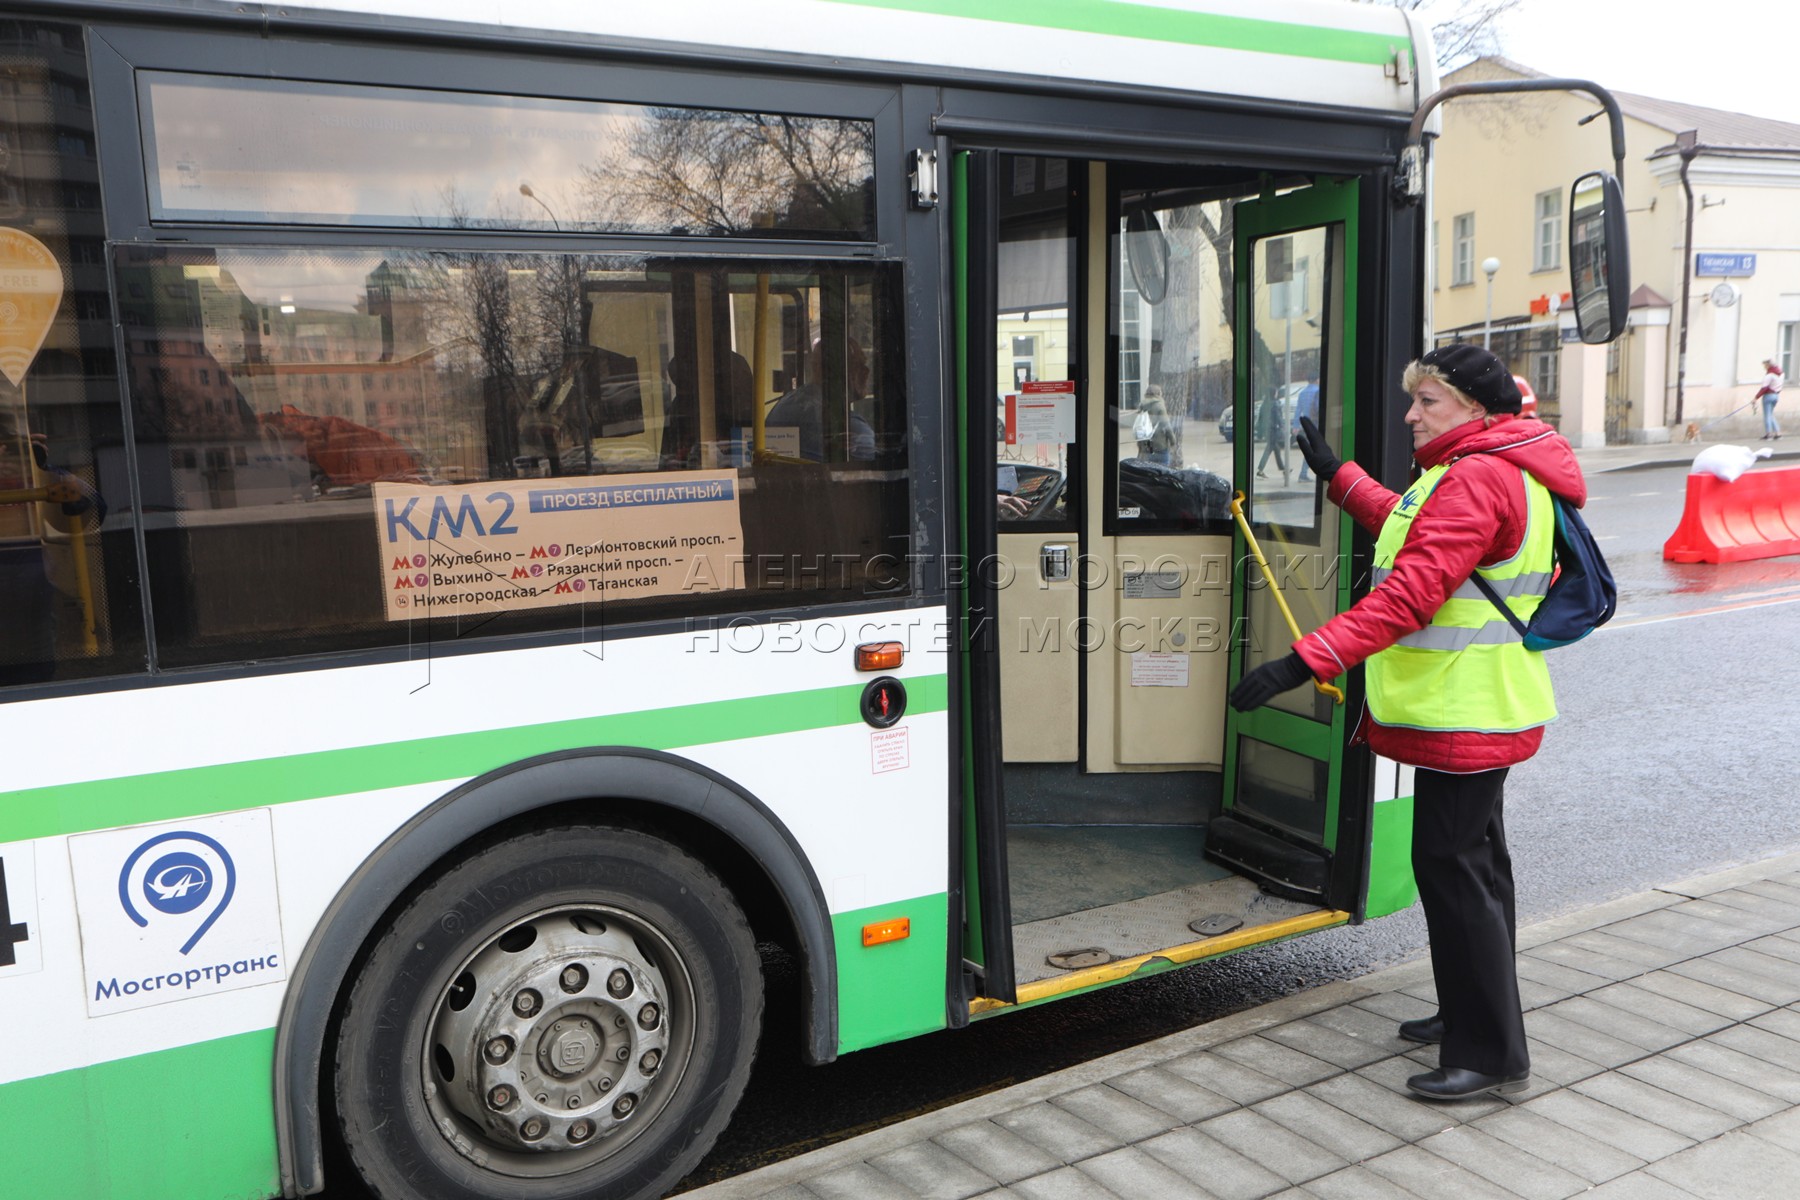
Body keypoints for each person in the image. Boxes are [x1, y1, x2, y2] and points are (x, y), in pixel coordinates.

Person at [1228, 343, 1587, 1103]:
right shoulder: (1478, 470)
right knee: (1477, 869)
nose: (1410, 414)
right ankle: (1472, 1013)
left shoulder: (1476, 477)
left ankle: (1490, 1052)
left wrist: (1303, 662)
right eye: (1414, 398)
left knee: (1456, 874)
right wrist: (1340, 478)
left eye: (1429, 402)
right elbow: (1409, 528)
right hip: (1481, 704)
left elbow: (1411, 594)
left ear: (1478, 411)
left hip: (1467, 711)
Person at [1135, 389, 1177, 466]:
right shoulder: (1160, 406)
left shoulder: (1142, 406)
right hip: (1160, 447)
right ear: (1158, 394)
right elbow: (1166, 426)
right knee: (1163, 472)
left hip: (1146, 448)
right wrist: (1173, 441)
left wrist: (1140, 447)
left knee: (1148, 472)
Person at [1255, 384, 1288, 480]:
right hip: (1273, 429)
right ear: (1274, 394)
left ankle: (1283, 469)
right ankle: (1260, 471)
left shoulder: (1265, 403)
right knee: (1269, 449)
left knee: (1276, 449)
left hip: (1267, 430)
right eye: (1276, 392)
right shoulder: (1275, 404)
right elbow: (1278, 417)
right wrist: (1283, 426)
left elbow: (1260, 417)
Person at [1294, 376, 1321, 481]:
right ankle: (1304, 473)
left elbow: (1298, 410)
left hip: (1306, 425)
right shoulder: (1318, 391)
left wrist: (1296, 425)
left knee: (1309, 449)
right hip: (1317, 424)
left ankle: (1303, 473)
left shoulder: (1302, 393)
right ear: (1316, 380)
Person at [1756, 356, 1783, 440]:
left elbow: (1764, 388)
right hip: (1776, 395)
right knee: (1771, 414)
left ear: (1768, 365)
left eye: (1765, 365)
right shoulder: (1780, 373)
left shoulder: (1769, 375)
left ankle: (1769, 434)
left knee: (1767, 415)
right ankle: (1778, 433)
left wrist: (1756, 398)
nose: (1764, 367)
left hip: (1768, 396)